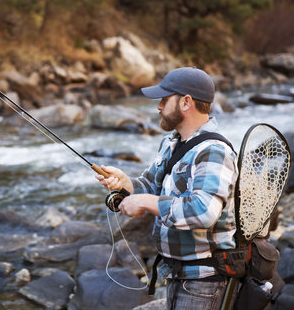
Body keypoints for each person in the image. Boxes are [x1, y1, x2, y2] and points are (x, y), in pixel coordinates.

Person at [96, 67, 239, 309]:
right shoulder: (171, 143)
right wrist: (125, 182)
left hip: (204, 281)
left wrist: (146, 203)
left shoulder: (214, 151)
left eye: (164, 99)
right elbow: (150, 186)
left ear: (185, 102)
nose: (158, 107)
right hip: (175, 274)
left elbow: (204, 211)